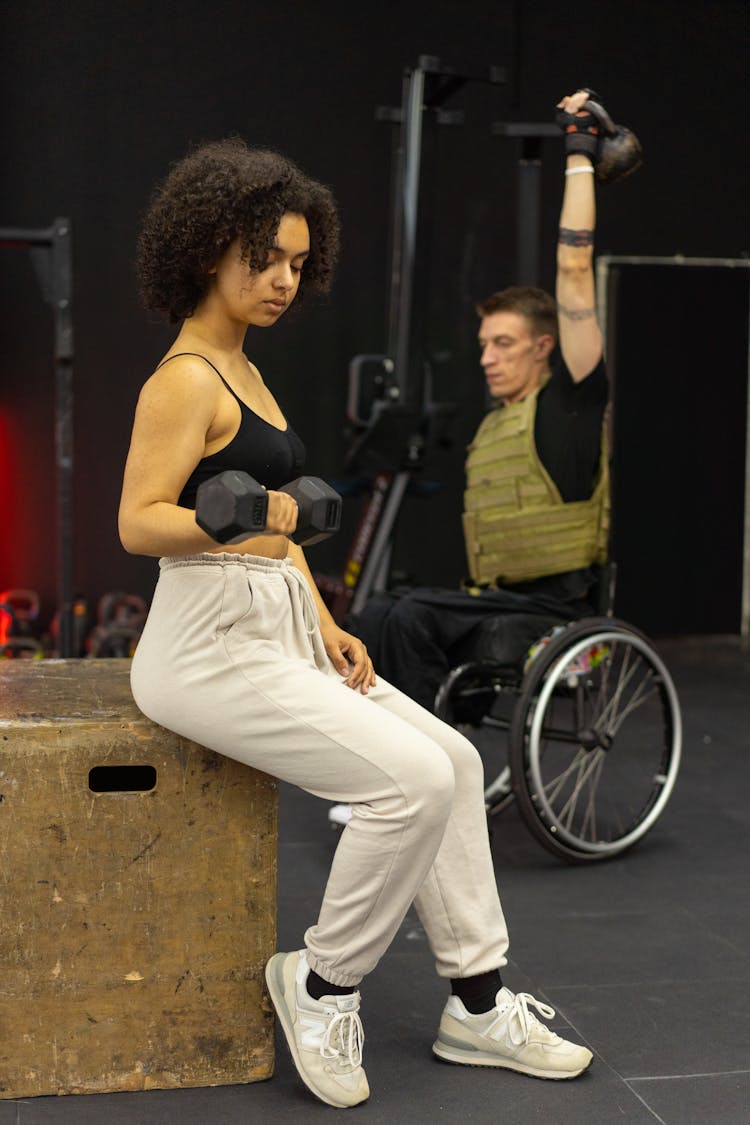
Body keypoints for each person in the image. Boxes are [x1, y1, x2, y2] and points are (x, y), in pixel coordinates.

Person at [118, 130, 592, 1112]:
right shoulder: (185, 378)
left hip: (276, 626)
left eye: (300, 261)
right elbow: (140, 522)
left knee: (456, 765)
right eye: (270, 257)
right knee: (409, 783)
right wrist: (253, 520)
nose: (288, 278)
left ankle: (477, 1002)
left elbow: (274, 524)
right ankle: (323, 983)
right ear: (213, 247)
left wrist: (319, 610)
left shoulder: (247, 370)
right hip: (203, 650)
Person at [352, 89, 612, 714]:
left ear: (544, 346)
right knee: (375, 612)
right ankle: (411, 764)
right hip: (499, 597)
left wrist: (579, 149)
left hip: (558, 606)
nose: (487, 357)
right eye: (483, 344)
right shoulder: (498, 424)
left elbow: (574, 270)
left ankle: (426, 770)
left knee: (407, 614)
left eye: (503, 343)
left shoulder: (571, 407)